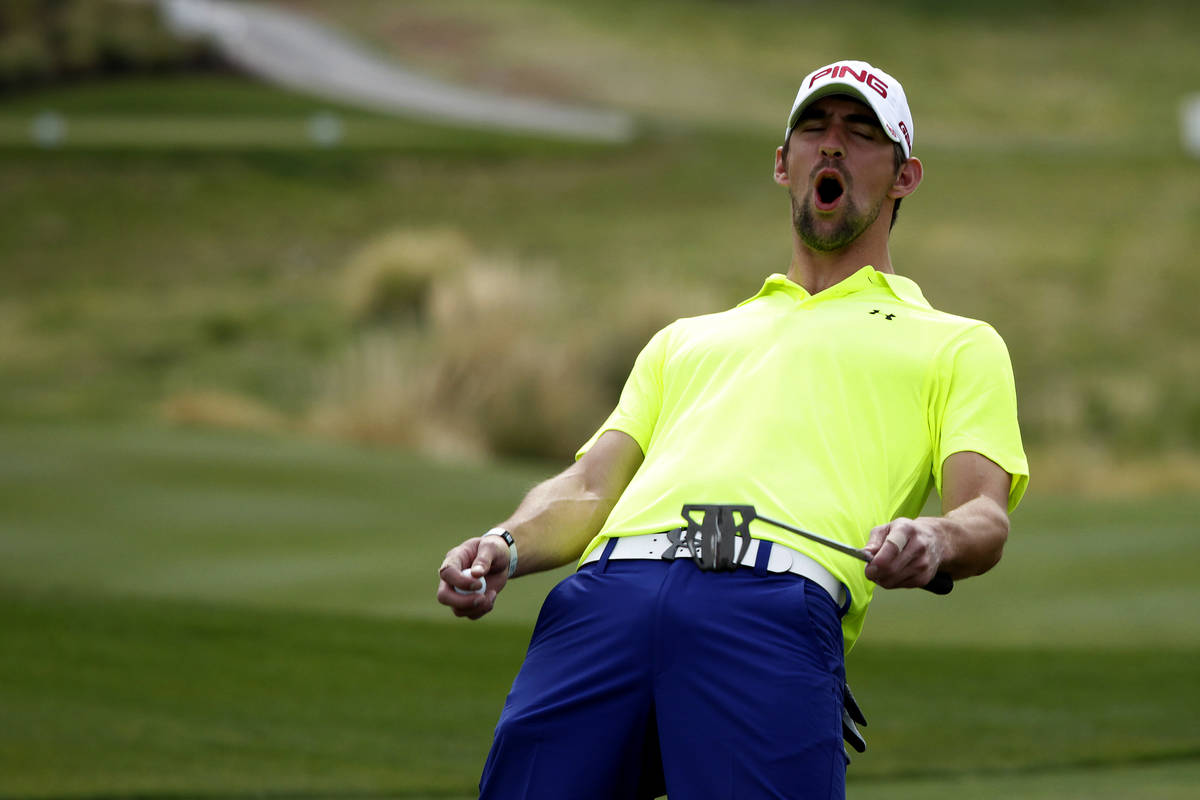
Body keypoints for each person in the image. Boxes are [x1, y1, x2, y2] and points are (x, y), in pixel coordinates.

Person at [436, 59, 1028, 800]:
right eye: (814, 129)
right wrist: (506, 543)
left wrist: (935, 539)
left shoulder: (956, 342)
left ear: (904, 176)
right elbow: (590, 486)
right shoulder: (686, 338)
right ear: (784, 164)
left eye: (860, 133)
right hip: (604, 598)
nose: (832, 147)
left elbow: (984, 515)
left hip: (772, 608)